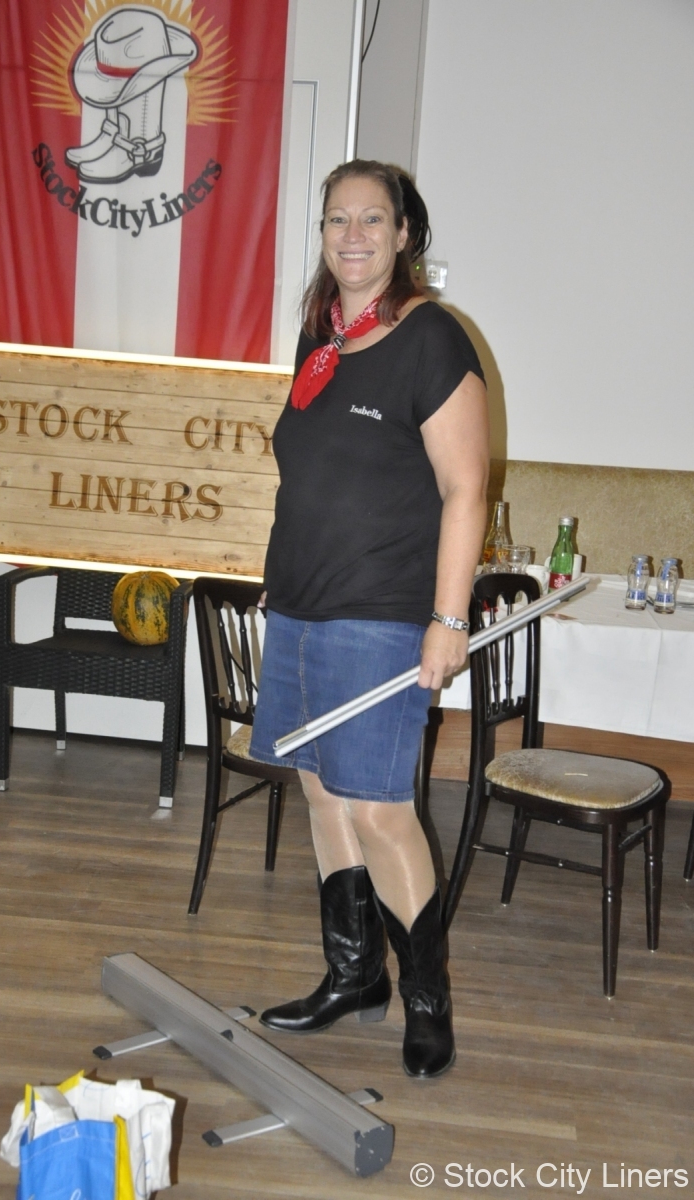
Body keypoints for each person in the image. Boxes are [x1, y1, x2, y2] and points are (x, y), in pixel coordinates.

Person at [248, 159, 489, 1078]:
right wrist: (280, 577)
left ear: (402, 234)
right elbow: (314, 478)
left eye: (371, 219)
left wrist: (447, 619)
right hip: (299, 605)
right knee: (318, 789)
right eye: (336, 219)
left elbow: (464, 489)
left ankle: (426, 1001)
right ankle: (354, 975)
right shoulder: (321, 344)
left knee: (379, 808)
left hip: (381, 613)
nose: (352, 235)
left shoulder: (431, 338)